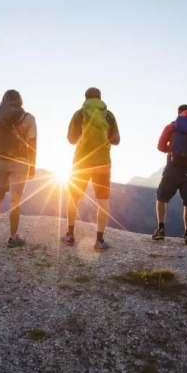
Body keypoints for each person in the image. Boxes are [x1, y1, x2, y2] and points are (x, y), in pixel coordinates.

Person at [61, 87, 120, 252]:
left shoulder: (80, 114)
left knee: (74, 197)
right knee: (103, 200)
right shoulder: (108, 115)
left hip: (81, 162)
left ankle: (70, 235)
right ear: (100, 98)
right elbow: (116, 140)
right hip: (103, 163)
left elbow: (71, 139)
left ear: (85, 98)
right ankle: (99, 240)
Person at [0, 89, 37, 247]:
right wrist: (32, 166)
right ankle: (13, 238)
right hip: (20, 162)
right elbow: (32, 143)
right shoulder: (28, 118)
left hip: (1, 161)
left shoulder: (0, 117)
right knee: (15, 200)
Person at [152, 104, 187, 246]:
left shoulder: (171, 127)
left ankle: (160, 229)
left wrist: (173, 151)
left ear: (178, 114)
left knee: (161, 198)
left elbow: (160, 147)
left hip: (173, 168)